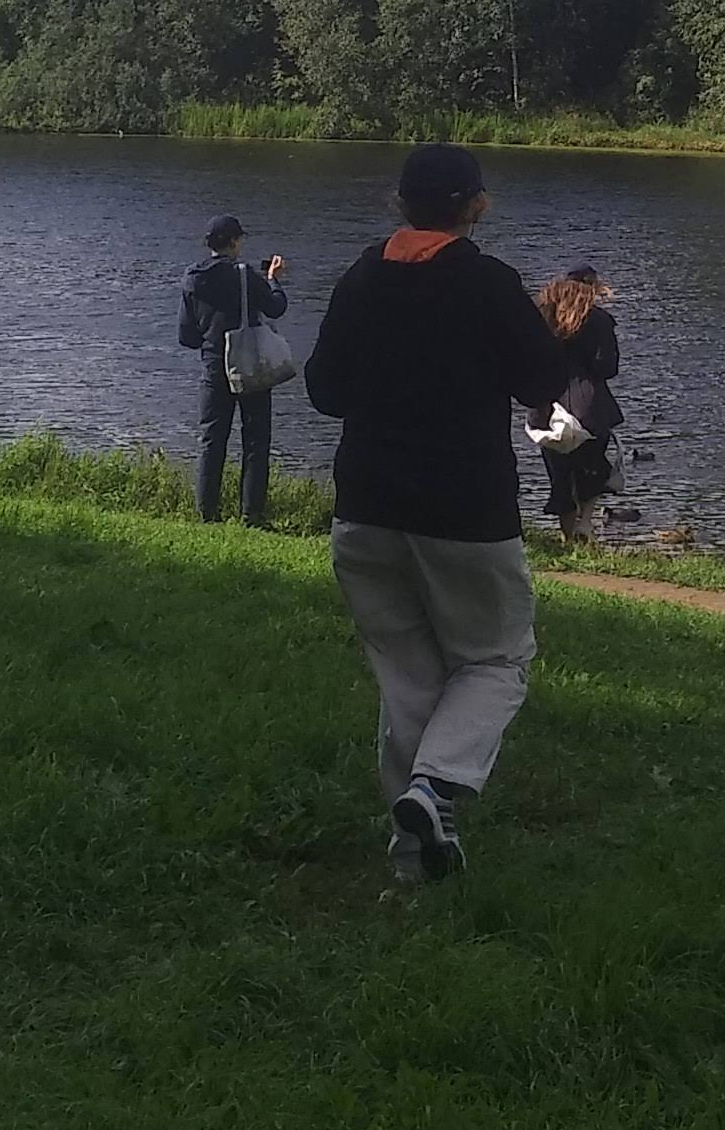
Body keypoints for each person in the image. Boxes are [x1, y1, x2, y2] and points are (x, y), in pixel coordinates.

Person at [301, 141, 565, 883]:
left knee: (408, 680)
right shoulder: (487, 282)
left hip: (366, 507)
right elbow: (541, 380)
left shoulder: (362, 276)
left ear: (400, 202)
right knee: (497, 660)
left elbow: (323, 392)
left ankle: (415, 858)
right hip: (465, 511)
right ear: (476, 205)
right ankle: (436, 784)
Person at [176, 211, 290, 525]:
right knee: (256, 440)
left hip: (214, 367)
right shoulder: (245, 275)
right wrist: (274, 280)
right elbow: (276, 308)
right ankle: (252, 515)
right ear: (234, 242)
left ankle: (207, 514)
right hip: (249, 364)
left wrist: (211, 340)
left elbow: (186, 336)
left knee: (212, 440)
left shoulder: (192, 278)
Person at [531, 265, 622, 543]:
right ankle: (585, 523)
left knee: (560, 474)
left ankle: (567, 535)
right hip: (590, 408)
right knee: (591, 468)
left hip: (548, 407)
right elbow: (607, 367)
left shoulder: (543, 317)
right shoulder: (599, 320)